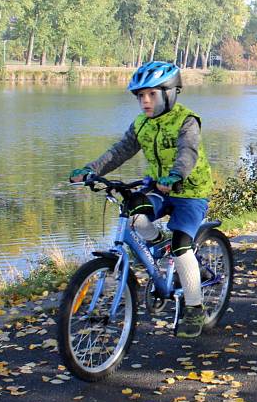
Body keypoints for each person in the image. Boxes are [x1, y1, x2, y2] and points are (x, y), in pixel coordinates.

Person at [69, 61, 214, 338]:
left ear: (170, 93)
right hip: (159, 188)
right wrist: (92, 169)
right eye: (140, 96)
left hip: (190, 191)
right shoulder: (141, 124)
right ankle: (160, 242)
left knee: (182, 248)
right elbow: (120, 151)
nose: (144, 101)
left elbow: (188, 152)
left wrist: (176, 175)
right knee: (134, 212)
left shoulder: (187, 121)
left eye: (151, 94)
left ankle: (194, 308)